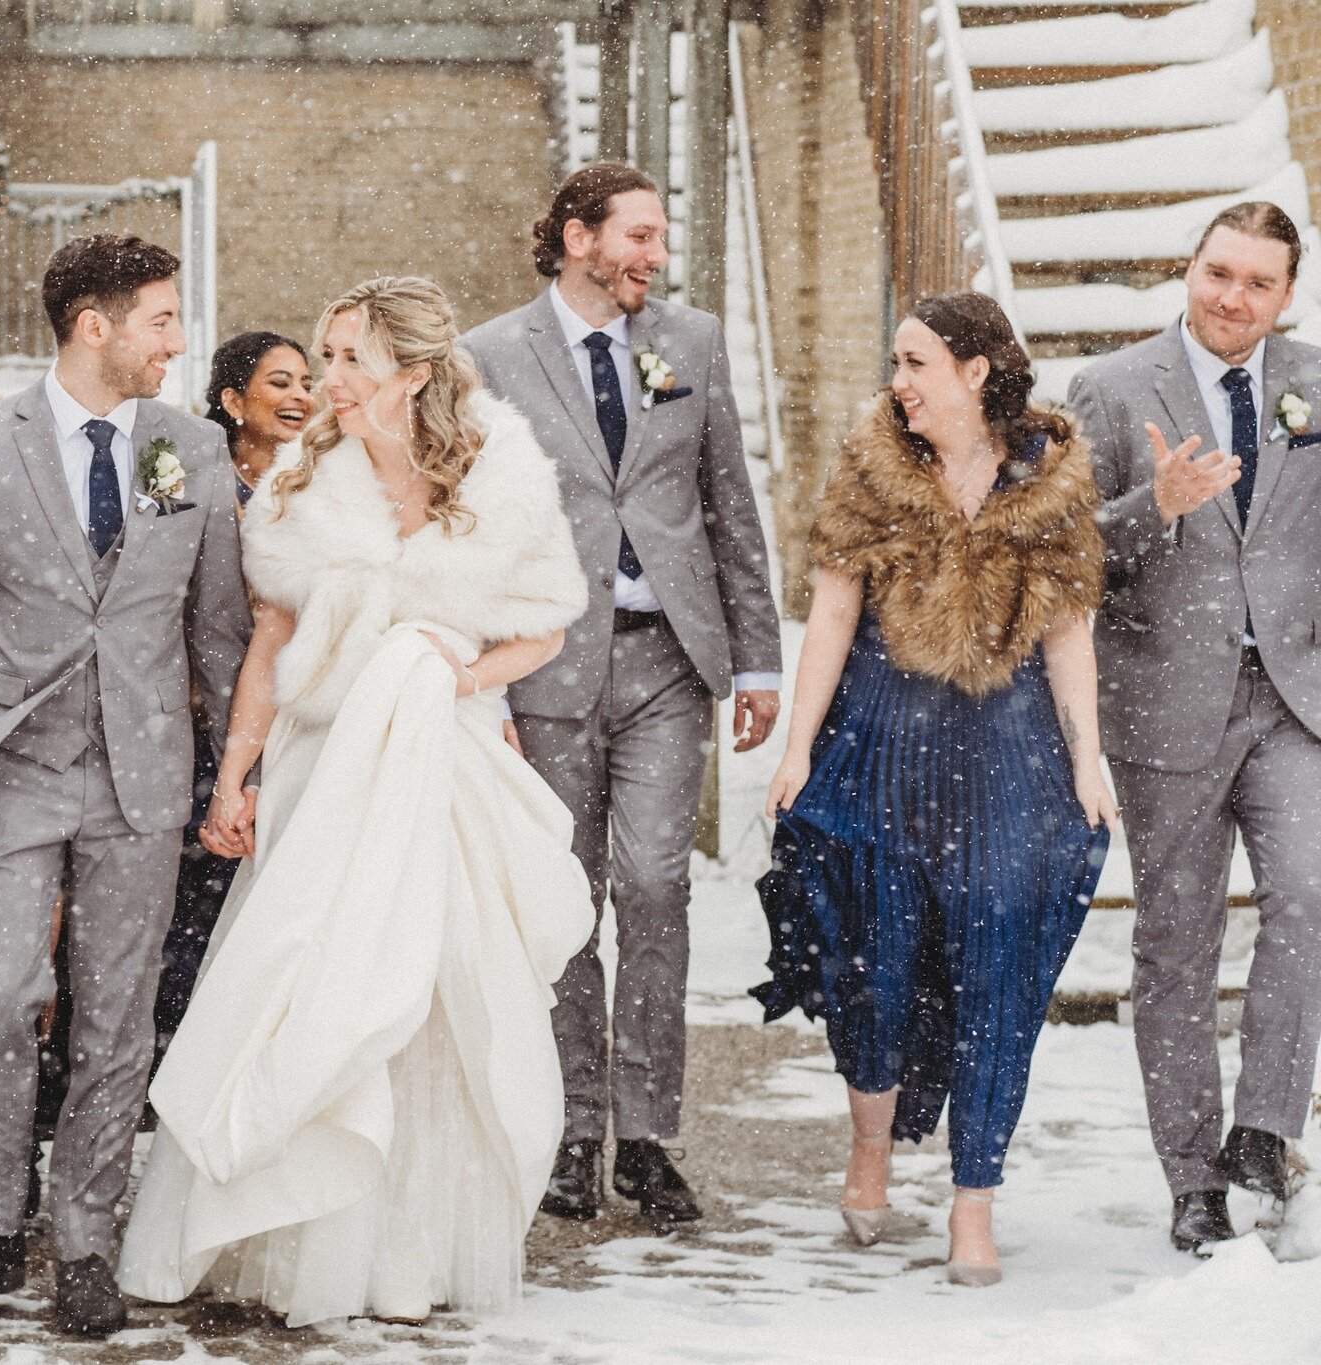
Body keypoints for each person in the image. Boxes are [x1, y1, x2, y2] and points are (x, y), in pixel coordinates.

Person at [118, 276, 597, 1326]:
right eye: (324, 357)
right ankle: (286, 1240)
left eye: (347, 360)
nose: (323, 381)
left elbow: (545, 627)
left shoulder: (498, 468)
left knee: (431, 998)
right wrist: (236, 776)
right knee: (308, 980)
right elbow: (270, 644)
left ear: (412, 375)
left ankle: (402, 1249)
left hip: (443, 762)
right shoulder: (303, 480)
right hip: (321, 763)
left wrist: (447, 676)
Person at [0, 233, 251, 1338]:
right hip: (8, 773)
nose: (177, 342)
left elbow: (219, 630)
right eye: (160, 320)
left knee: (116, 1015)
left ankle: (85, 1243)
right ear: (94, 326)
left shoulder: (189, 447)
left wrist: (236, 772)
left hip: (142, 779)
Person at [756, 292, 1112, 1285]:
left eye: (915, 362)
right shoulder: (869, 465)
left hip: (1006, 756)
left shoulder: (1049, 479)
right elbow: (829, 616)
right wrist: (795, 752)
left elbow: (1066, 630)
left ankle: (972, 1200)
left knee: (996, 972)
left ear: (974, 371)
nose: (897, 382)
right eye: (895, 361)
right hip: (880, 744)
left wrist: (1084, 758)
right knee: (872, 962)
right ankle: (869, 1147)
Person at [460, 163, 784, 1223]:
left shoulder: (687, 345)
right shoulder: (488, 357)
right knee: (563, 906)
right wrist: (480, 686)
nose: (653, 255)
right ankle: (570, 1129)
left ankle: (645, 1135)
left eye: (658, 237)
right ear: (575, 236)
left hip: (664, 663)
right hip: (542, 664)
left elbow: (726, 502)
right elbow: (467, 527)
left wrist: (755, 657)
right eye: (637, 236)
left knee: (654, 886)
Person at [1065, 202, 1321, 1254]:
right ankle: (1190, 1177)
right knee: (1175, 944)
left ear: (1284, 297)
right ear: (1187, 270)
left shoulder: (1310, 382)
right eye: (1217, 274)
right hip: (1162, 706)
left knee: (1307, 892)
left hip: (1289, 700)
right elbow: (1066, 556)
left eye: (1256, 284)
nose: (1231, 298)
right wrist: (1152, 506)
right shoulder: (1111, 389)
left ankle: (1262, 1126)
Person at [156, 330, 313, 1052]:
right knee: (191, 887)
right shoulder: (187, 478)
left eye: (305, 382)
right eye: (279, 382)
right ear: (231, 399)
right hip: (191, 709)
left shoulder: (322, 484)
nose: (300, 396)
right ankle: (175, 1045)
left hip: (289, 710)